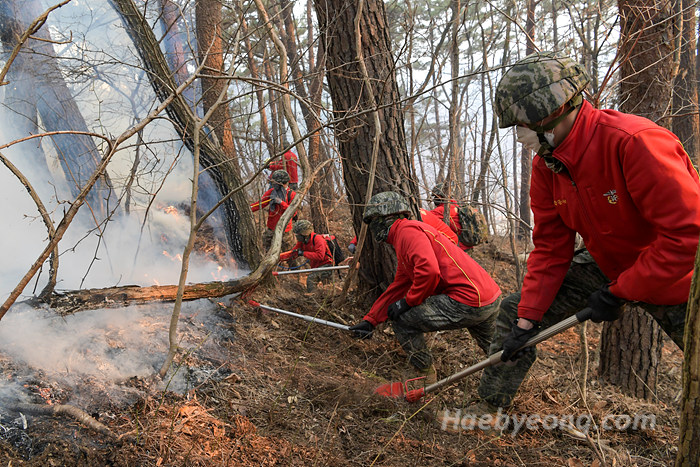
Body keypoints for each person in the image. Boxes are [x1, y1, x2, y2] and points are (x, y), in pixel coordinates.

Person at [469, 51, 700, 416]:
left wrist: (621, 291)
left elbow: (688, 237)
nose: (520, 136)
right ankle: (487, 411)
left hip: (680, 278)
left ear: (551, 113)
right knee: (515, 312)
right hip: (610, 265)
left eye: (522, 124)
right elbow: (549, 247)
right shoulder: (547, 165)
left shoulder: (633, 142)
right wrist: (529, 319)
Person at [348, 192, 502, 384]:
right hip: (489, 297)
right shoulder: (407, 236)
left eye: (373, 221)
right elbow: (399, 286)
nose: (373, 227)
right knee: (498, 353)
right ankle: (504, 391)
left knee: (403, 320)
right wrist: (371, 320)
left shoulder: (408, 231)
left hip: (467, 300)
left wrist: (408, 301)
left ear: (386, 217)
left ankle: (424, 375)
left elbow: (429, 271)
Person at [280, 220, 334, 292]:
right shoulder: (303, 242)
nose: (296, 237)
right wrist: (278, 258)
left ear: (304, 234)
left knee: (311, 279)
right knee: (327, 287)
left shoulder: (318, 240)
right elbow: (293, 252)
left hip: (327, 266)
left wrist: (303, 253)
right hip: (316, 266)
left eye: (297, 235)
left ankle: (313, 298)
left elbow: (320, 256)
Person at [250, 170, 298, 251]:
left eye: (275, 182)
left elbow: (292, 212)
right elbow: (261, 203)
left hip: (285, 230)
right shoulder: (271, 192)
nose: (273, 184)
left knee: (289, 253)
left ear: (282, 183)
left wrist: (281, 202)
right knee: (268, 250)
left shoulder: (291, 194)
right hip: (271, 228)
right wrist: (249, 209)